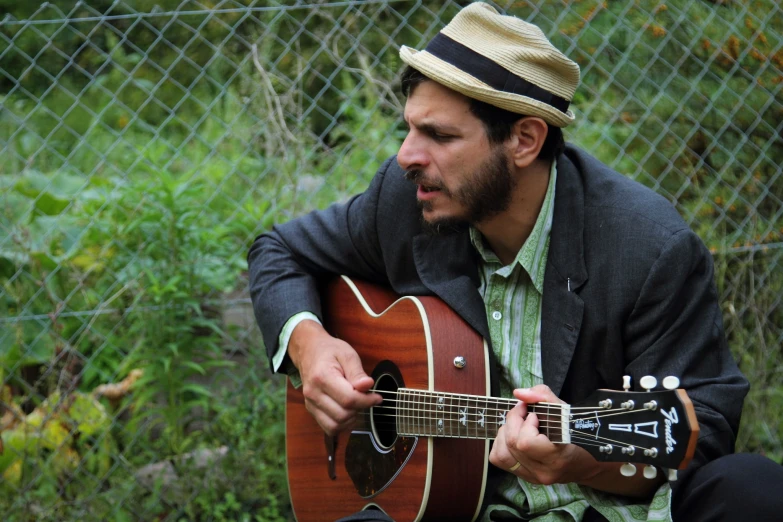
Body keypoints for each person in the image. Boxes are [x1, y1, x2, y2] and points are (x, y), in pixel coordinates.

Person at [248, 3, 783, 521]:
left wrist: (586, 458)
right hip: (457, 505)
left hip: (610, 509)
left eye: (439, 135)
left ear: (525, 139)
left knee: (752, 491)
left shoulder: (645, 246)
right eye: (409, 128)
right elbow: (278, 251)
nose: (408, 156)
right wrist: (310, 346)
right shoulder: (407, 198)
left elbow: (701, 429)